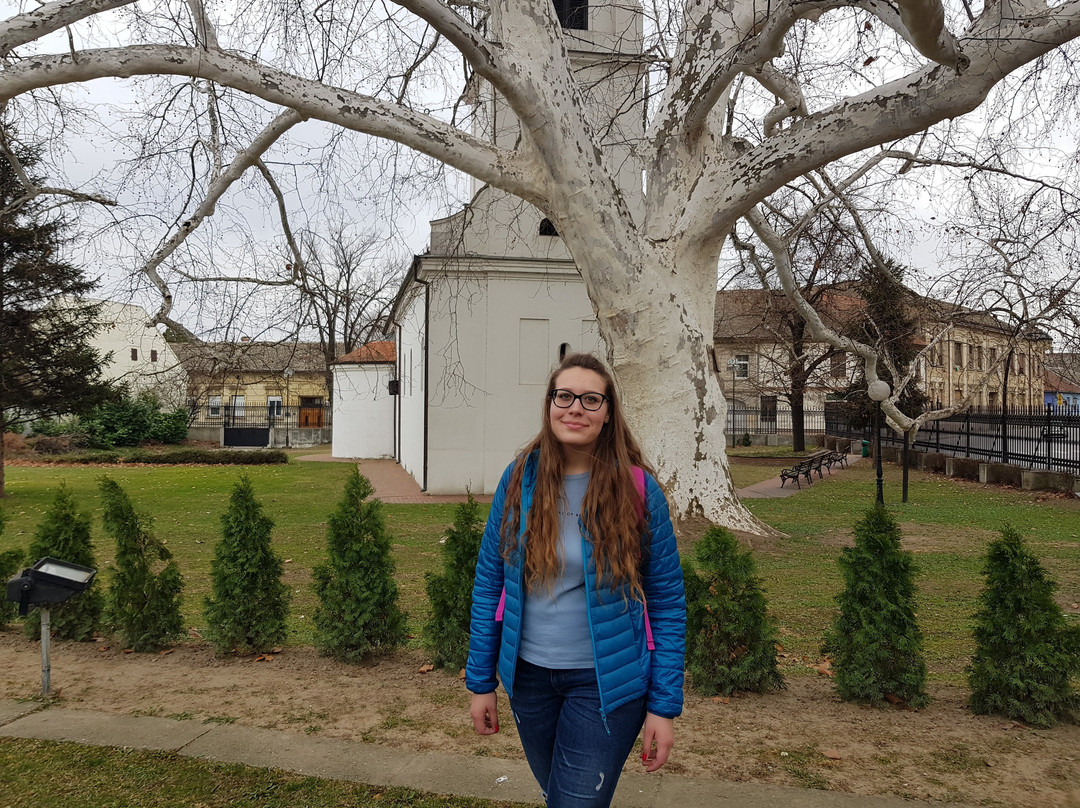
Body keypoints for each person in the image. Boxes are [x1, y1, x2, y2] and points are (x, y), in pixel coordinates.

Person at [465, 352, 686, 807]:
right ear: (549, 405)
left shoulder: (639, 489)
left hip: (606, 684)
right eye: (564, 396)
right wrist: (480, 682)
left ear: (608, 414)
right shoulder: (518, 481)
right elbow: (490, 582)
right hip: (528, 680)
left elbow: (666, 603)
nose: (575, 408)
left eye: (591, 399)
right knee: (558, 797)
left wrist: (664, 707)